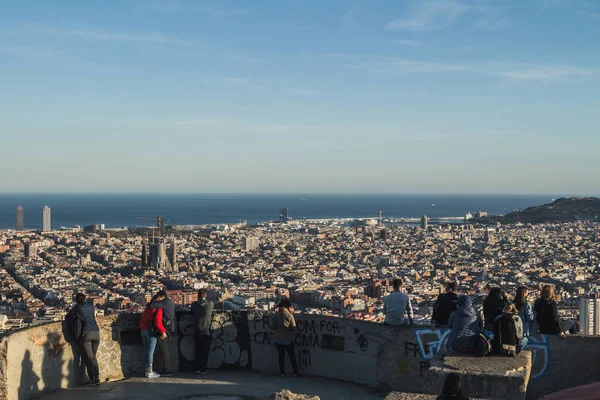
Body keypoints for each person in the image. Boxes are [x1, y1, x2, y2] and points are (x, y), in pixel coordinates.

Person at [140, 293, 168, 378]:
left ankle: (146, 370)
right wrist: (163, 332)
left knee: (146, 350)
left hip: (143, 329)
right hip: (151, 331)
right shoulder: (158, 309)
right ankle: (149, 371)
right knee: (150, 352)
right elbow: (157, 322)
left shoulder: (148, 307)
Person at [75, 293, 101, 385]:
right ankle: (97, 377)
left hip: (87, 333)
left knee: (89, 358)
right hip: (96, 332)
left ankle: (92, 378)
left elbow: (75, 318)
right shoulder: (91, 306)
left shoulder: (78, 308)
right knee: (94, 356)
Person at [150, 290, 175, 376]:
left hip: (164, 330)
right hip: (170, 328)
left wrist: (154, 299)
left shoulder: (163, 303)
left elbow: (151, 306)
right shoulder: (170, 303)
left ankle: (167, 370)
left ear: (162, 297)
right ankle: (166, 369)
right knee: (164, 350)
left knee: (163, 350)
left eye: (159, 297)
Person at [272, 298, 299, 377]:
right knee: (291, 356)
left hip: (278, 339)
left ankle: (282, 373)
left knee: (281, 356)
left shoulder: (276, 315)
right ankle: (295, 372)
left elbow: (273, 327)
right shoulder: (289, 315)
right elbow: (294, 327)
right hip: (288, 339)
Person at [191, 288, 214, 374]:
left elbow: (192, 311)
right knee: (205, 351)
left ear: (197, 296)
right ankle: (203, 369)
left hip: (197, 330)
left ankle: (197, 369)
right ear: (206, 295)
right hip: (206, 331)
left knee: (197, 351)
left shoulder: (194, 305)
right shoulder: (210, 304)